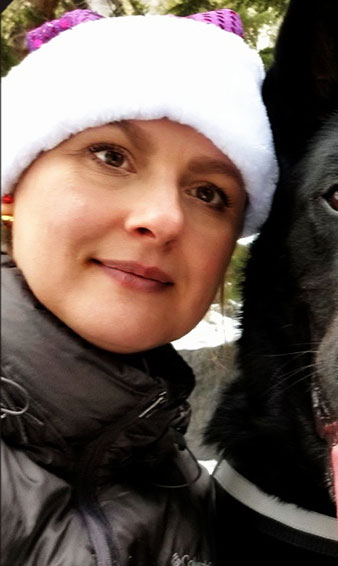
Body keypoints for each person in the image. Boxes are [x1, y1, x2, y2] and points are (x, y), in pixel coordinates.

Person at [0, 9, 277, 565]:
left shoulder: (193, 500)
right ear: (12, 187)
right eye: (111, 156)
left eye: (208, 193)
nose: (164, 218)